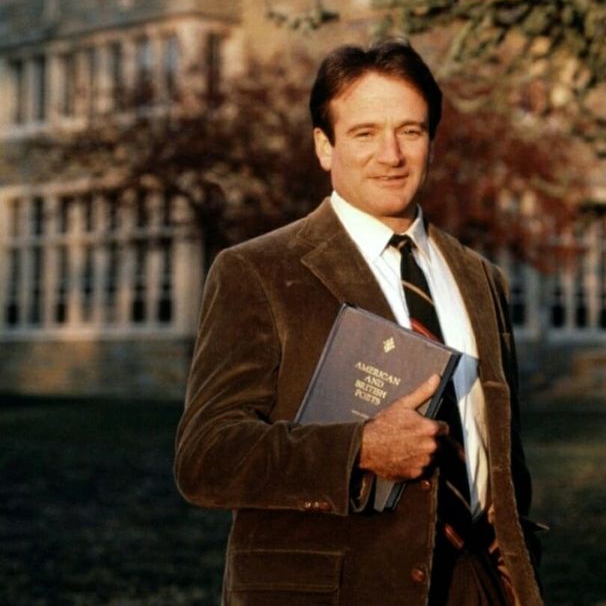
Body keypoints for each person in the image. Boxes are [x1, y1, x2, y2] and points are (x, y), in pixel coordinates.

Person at [174, 40, 543, 606]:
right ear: (324, 146)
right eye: (365, 133)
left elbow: (503, 461)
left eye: (410, 131)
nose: (391, 154)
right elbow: (206, 459)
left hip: (475, 588)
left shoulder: (480, 278)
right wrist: (359, 449)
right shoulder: (258, 271)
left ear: (431, 140)